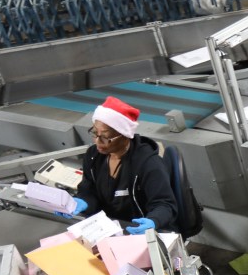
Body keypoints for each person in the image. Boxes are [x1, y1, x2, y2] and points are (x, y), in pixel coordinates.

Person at [72, 96, 180, 235]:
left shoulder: (149, 164)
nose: (98, 141)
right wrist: (83, 202)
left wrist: (153, 221)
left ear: (125, 135)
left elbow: (165, 205)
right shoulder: (93, 156)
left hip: (138, 231)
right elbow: (89, 191)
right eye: (94, 133)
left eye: (105, 137)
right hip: (107, 228)